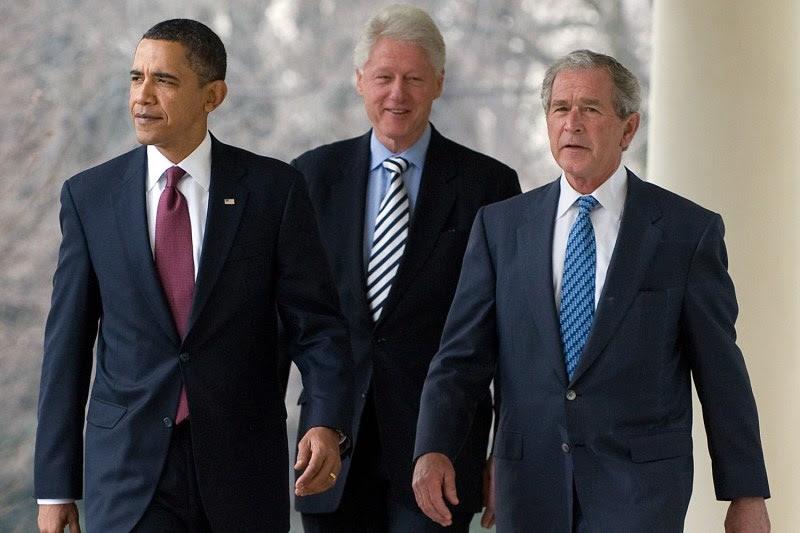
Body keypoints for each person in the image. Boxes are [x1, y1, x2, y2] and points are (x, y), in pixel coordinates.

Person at [412, 49, 771, 532]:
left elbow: (721, 374)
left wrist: (745, 494)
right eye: (560, 109)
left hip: (640, 490)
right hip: (529, 485)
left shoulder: (687, 232)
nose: (572, 124)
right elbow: (460, 358)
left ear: (628, 129)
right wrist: (434, 447)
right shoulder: (500, 228)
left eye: (590, 109)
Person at [34, 19, 352, 533]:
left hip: (242, 468)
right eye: (136, 78)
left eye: (165, 80)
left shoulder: (275, 191)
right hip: (128, 474)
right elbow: (66, 348)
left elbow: (317, 326)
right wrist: (54, 487)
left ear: (213, 95)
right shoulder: (89, 197)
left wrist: (324, 419)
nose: (143, 96)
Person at [289, 4, 521, 532]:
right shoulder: (309, 179)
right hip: (331, 451)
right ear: (358, 81)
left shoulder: (489, 188)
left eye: (414, 78)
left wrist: (502, 455)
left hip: (439, 455)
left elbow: (509, 338)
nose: (398, 94)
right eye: (384, 77)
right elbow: (288, 319)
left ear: (438, 82)